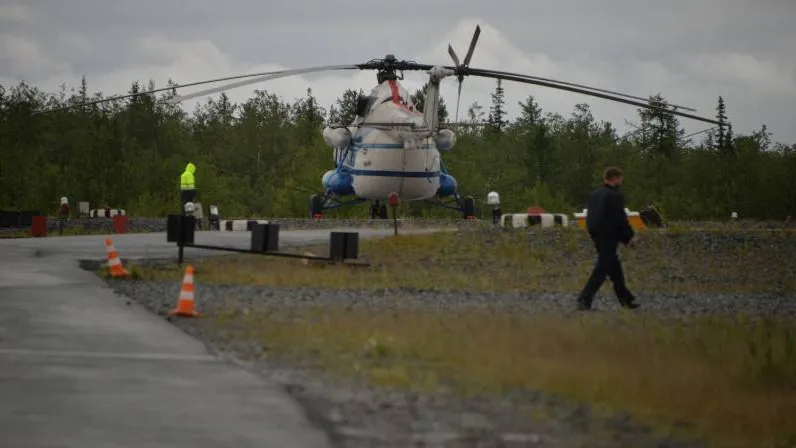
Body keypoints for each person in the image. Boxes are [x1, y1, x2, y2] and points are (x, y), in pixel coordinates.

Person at [576, 166, 639, 311]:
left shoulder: (596, 194)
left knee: (614, 268)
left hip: (596, 234)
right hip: (608, 236)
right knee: (602, 269)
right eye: (620, 179)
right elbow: (620, 219)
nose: (621, 182)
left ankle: (626, 300)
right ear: (615, 178)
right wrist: (629, 237)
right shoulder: (614, 196)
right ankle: (584, 298)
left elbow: (590, 216)